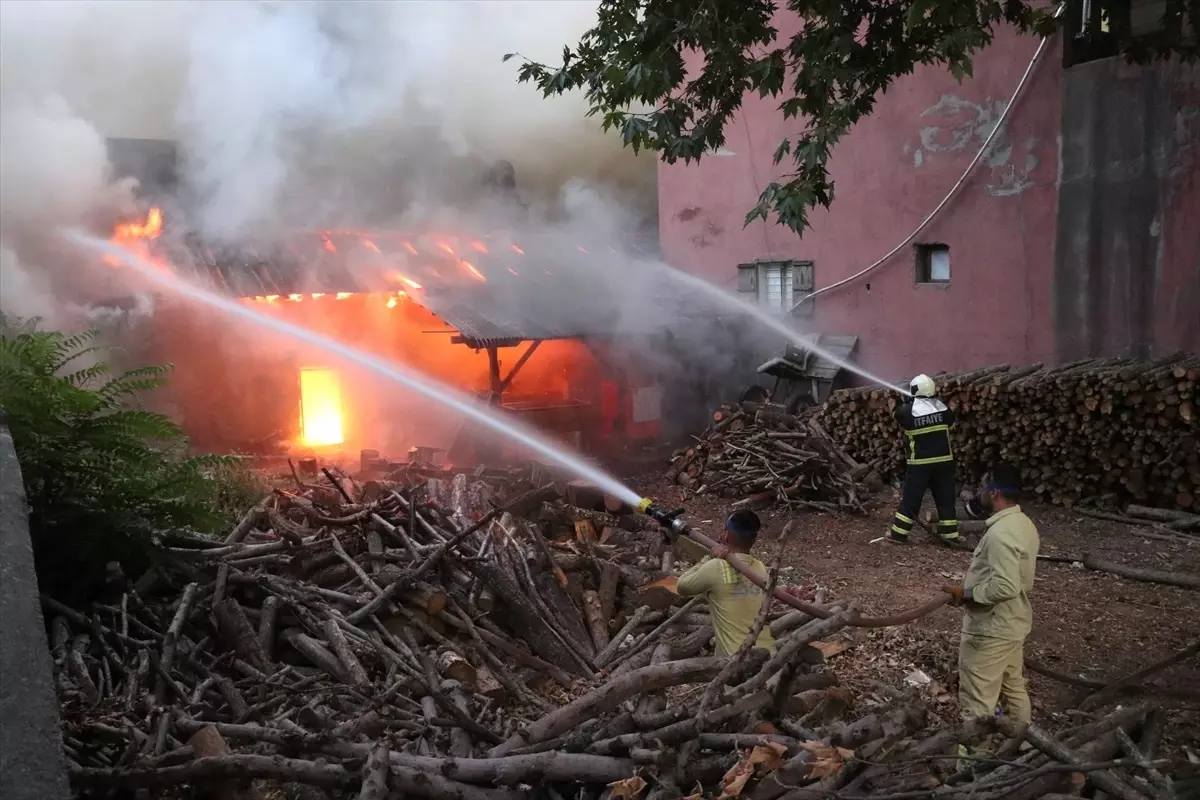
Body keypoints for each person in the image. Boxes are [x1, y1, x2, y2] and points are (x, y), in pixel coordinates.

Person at [943, 463, 1040, 725]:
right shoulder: (1023, 523)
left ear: (994, 492)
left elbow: (1005, 586)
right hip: (1011, 622)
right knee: (1013, 689)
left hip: (991, 629)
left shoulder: (1001, 533)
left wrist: (968, 594)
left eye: (983, 487)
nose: (980, 493)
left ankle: (972, 761)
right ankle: (1021, 747)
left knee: (977, 699)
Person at [676, 510, 776, 656]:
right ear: (754, 540)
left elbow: (681, 586)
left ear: (726, 535)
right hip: (770, 661)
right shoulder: (760, 569)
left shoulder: (716, 567)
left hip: (737, 667)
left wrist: (709, 557)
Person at [889, 373, 964, 546]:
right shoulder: (942, 409)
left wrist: (892, 402)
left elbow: (895, 414)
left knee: (911, 500)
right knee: (945, 500)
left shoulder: (907, 411)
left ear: (914, 390)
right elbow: (950, 422)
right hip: (944, 463)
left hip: (920, 464)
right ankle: (950, 537)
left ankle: (898, 535)